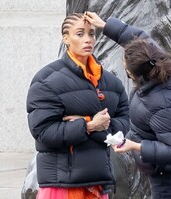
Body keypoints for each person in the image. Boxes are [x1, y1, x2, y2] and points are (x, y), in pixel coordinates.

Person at [84, 12, 171, 199]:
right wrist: (105, 25)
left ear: (134, 74)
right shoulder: (161, 63)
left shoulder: (165, 104)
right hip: (166, 169)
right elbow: (140, 38)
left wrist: (134, 145)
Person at [26, 12, 130, 199]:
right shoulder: (47, 80)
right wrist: (89, 125)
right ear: (66, 38)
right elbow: (42, 131)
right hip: (61, 185)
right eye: (80, 34)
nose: (88, 39)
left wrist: (93, 125)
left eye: (91, 34)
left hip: (98, 184)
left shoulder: (111, 83)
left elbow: (122, 126)